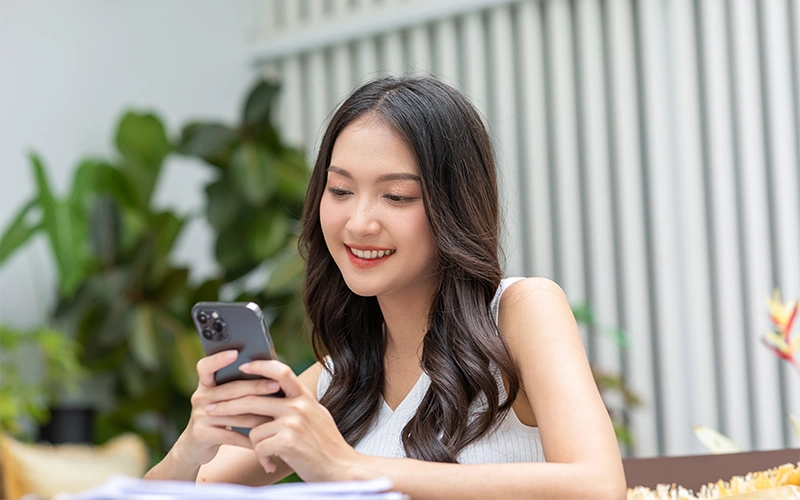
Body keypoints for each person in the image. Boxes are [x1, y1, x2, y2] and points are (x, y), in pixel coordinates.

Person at [144, 75, 626, 499]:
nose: (359, 223)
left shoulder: (520, 312)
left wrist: (348, 468)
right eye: (340, 191)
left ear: (452, 207)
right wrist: (193, 447)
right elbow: (190, 490)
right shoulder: (337, 379)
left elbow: (598, 487)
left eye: (396, 196)